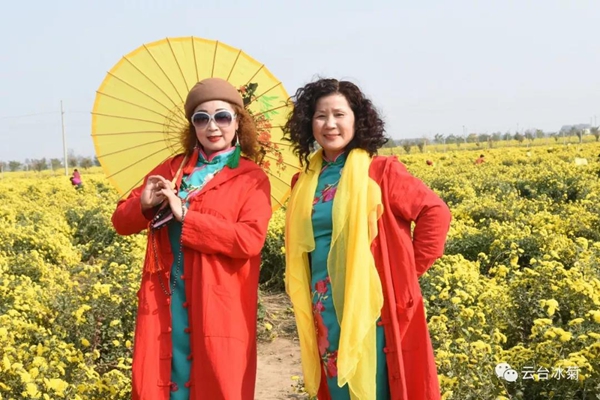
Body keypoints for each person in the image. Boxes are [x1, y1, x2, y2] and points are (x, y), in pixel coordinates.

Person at [283, 78, 451, 400]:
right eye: (320, 116)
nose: (330, 124)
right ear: (309, 123)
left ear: (356, 120)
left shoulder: (382, 172)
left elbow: (435, 213)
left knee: (377, 385)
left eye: (339, 114)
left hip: (372, 305)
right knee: (337, 387)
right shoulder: (302, 182)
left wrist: (405, 274)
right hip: (324, 306)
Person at [111, 78, 272, 400]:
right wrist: (143, 204)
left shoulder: (250, 178)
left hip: (218, 297)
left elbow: (248, 240)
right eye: (201, 118)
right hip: (165, 294)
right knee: (163, 379)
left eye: (222, 117)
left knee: (218, 379)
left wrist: (187, 215)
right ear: (192, 126)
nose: (212, 127)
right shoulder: (172, 168)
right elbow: (121, 222)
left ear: (238, 122)